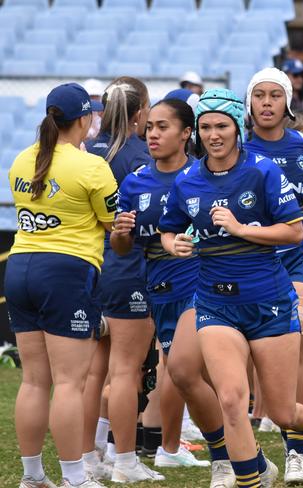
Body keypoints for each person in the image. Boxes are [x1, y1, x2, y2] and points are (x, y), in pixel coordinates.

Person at [158, 88, 303, 488]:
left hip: (268, 301)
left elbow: (293, 232)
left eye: (221, 125)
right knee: (233, 400)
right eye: (205, 127)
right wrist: (176, 244)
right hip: (214, 303)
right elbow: (169, 231)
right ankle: (250, 480)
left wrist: (239, 228)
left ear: (237, 127)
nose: (213, 134)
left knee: (283, 411)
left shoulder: (262, 171)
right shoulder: (187, 180)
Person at [109, 99, 236, 484]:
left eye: (163, 127)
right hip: (159, 290)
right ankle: (229, 453)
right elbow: (123, 247)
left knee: (189, 370)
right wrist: (118, 233)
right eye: (149, 127)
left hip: (203, 284)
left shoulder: (204, 174)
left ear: (186, 134)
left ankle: (227, 458)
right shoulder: (134, 182)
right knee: (187, 377)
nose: (153, 134)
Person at [7, 83, 117, 488]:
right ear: (85, 119)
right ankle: (75, 478)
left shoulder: (21, 159)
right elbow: (112, 223)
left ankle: (32, 476)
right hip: (66, 271)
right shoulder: (92, 167)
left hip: (20, 268)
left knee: (35, 379)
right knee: (70, 382)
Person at [244, 68, 303, 485]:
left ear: (288, 102)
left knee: (292, 340)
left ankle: (295, 451)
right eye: (258, 95)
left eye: (274, 95)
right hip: (254, 262)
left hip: (302, 256)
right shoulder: (236, 148)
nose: (266, 102)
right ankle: (264, 444)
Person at [84, 77, 163, 482]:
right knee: (126, 371)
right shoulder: (136, 156)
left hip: (93, 266)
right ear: (139, 113)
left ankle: (89, 455)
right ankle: (125, 462)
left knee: (95, 371)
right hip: (128, 267)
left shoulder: (89, 148)